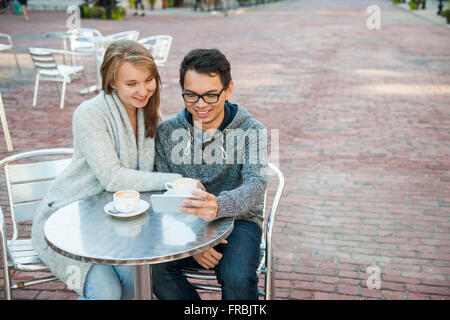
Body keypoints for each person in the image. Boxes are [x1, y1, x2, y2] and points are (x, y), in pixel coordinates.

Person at [31, 40, 182, 300]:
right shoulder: (90, 113)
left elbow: (158, 168)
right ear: (112, 82)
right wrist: (175, 180)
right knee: (109, 293)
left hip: (119, 226)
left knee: (136, 285)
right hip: (71, 222)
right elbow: (113, 178)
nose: (143, 90)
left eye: (148, 80)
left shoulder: (149, 115)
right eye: (131, 83)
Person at [152, 48, 268, 300]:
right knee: (152, 269)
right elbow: (162, 191)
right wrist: (194, 243)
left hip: (239, 221)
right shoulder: (167, 133)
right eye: (191, 95)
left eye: (211, 95)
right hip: (184, 222)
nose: (201, 105)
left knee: (237, 276)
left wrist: (218, 206)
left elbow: (256, 184)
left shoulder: (252, 130)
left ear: (228, 89)